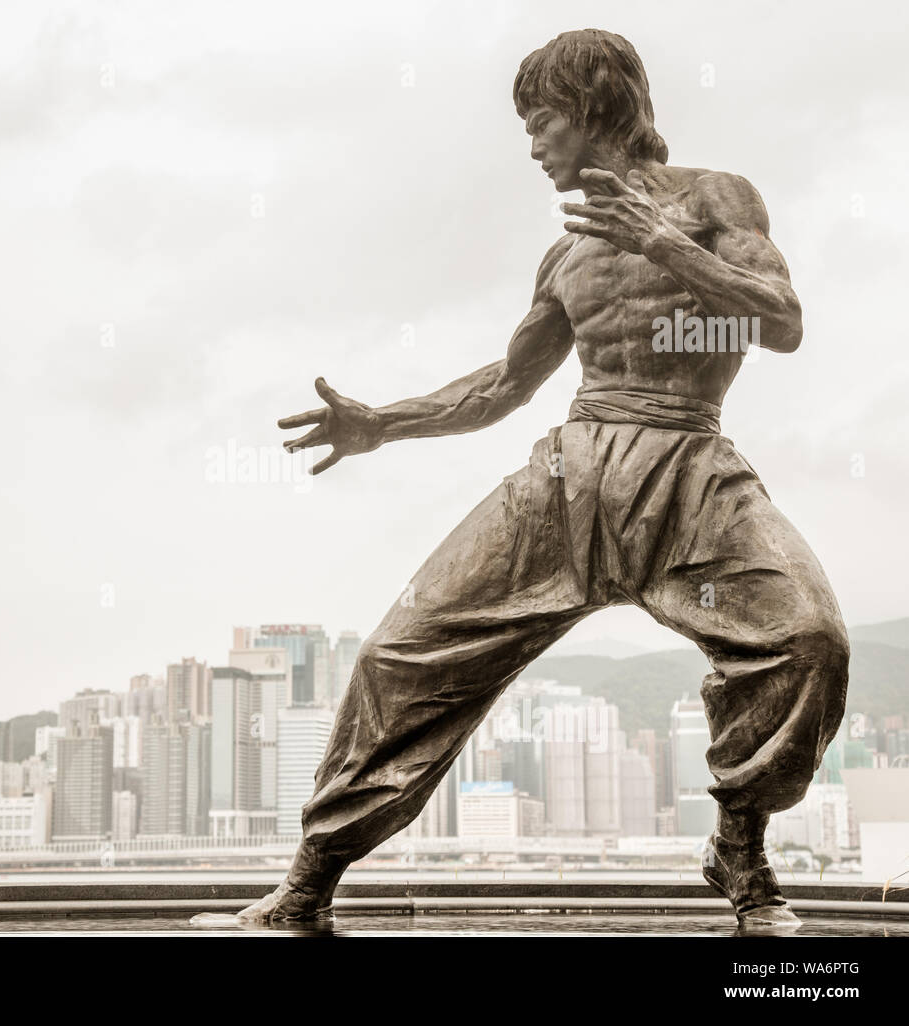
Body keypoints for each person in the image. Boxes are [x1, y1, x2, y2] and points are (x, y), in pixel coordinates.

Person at [239, 29, 848, 928]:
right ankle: (309, 880)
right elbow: (504, 386)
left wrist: (666, 245)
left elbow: (784, 321)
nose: (531, 147)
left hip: (691, 472)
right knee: (399, 655)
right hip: (572, 477)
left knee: (810, 641)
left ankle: (740, 851)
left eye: (542, 122)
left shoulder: (717, 197)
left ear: (596, 107)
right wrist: (383, 424)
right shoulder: (564, 258)